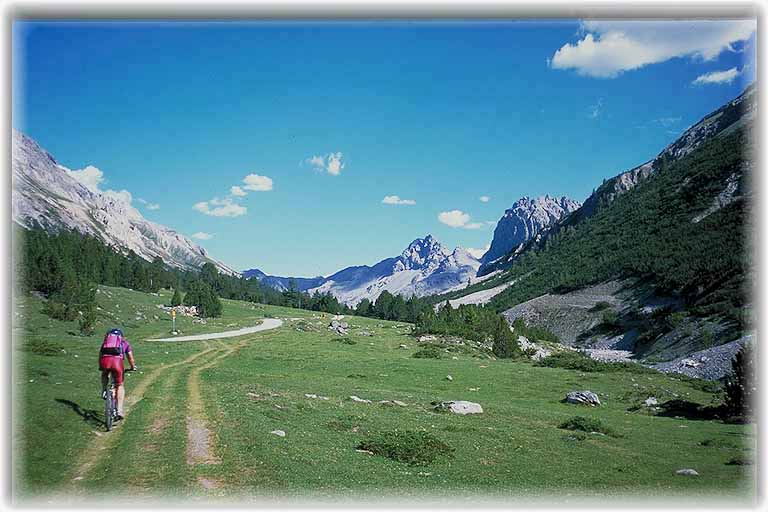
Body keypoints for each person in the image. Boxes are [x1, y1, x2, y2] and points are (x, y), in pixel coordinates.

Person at [99, 328, 137, 421]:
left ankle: (104, 390)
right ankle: (119, 411)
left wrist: (101, 366)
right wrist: (133, 367)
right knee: (120, 385)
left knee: (105, 373)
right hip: (117, 363)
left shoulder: (105, 343)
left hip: (105, 361)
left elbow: (100, 355)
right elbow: (130, 358)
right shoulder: (125, 343)